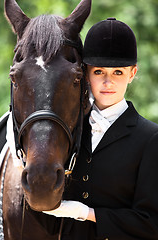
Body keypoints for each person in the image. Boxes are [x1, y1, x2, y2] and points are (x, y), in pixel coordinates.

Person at [43, 18, 158, 240]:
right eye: (99, 72)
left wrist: (86, 213)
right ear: (86, 73)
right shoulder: (68, 129)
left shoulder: (151, 138)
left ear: (132, 73)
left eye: (118, 72)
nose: (108, 82)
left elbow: (151, 222)